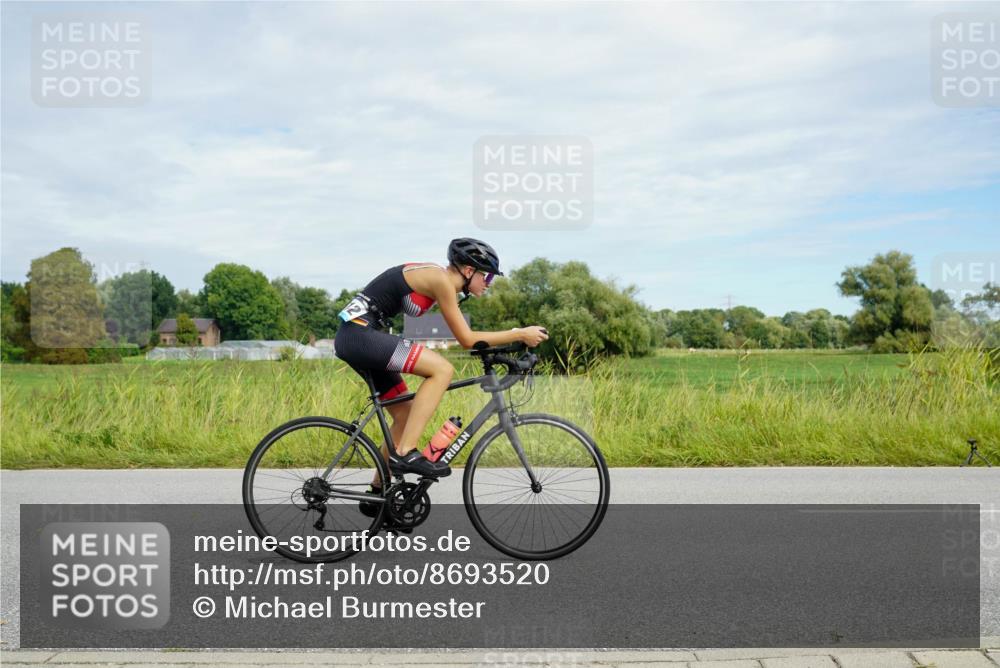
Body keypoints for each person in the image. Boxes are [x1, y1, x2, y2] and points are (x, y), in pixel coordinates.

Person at [333, 238, 549, 486]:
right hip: (359, 334)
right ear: (468, 271)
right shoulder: (441, 280)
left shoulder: (441, 281)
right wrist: (519, 333)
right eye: (487, 277)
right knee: (442, 369)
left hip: (360, 335)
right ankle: (406, 453)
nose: (488, 284)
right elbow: (467, 339)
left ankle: (378, 492)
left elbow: (471, 336)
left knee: (405, 413)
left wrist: (510, 340)